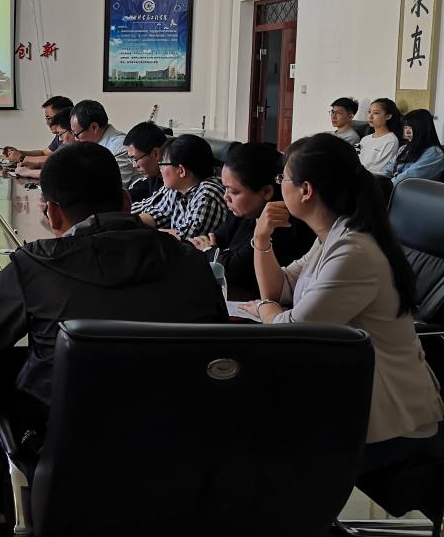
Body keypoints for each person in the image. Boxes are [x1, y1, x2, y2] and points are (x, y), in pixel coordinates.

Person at [0, 143, 227, 424]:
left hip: (67, 443)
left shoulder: (35, 265)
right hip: (180, 436)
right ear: (127, 202)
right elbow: (218, 348)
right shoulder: (192, 261)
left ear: (53, 214)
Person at [242, 133, 444, 470]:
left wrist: (266, 310)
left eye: (282, 179)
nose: (279, 187)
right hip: (349, 392)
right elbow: (280, 288)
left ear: (306, 190)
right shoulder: (333, 236)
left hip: (388, 420)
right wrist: (261, 238)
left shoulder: (354, 250)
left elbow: (292, 332)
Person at [188, 142, 315, 299]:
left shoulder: (282, 222)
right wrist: (216, 253)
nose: (225, 197)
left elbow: (231, 273)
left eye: (234, 192)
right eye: (225, 188)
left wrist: (209, 250)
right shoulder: (244, 211)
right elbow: (211, 240)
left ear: (267, 191)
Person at [133, 134, 228, 239]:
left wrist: (141, 233)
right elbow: (158, 215)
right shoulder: (177, 188)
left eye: (163, 165)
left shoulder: (208, 195)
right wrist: (126, 221)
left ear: (181, 171)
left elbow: (187, 237)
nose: (160, 170)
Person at [68, 99, 134, 186]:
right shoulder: (94, 146)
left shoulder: (119, 148)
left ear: (94, 127)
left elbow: (115, 188)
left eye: (76, 134)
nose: (76, 139)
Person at [1, 96, 74, 166]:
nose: (47, 123)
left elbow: (57, 160)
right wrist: (17, 152)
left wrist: (21, 158)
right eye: (46, 119)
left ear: (61, 115)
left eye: (49, 118)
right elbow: (44, 153)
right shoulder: (60, 134)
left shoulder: (70, 135)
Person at [382, 109, 444, 185]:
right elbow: (386, 170)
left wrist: (383, 186)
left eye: (411, 127)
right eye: (405, 127)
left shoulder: (434, 153)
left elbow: (407, 180)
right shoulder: (404, 148)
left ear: (423, 128)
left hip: (410, 191)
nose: (407, 132)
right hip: (394, 188)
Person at [13, 109, 73, 180]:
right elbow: (56, 161)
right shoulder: (67, 141)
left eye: (49, 118)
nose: (48, 123)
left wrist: (28, 172)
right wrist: (37, 165)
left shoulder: (77, 146)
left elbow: (61, 173)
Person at [124, 121, 167, 203]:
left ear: (156, 153)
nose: (134, 165)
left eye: (136, 159)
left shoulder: (173, 183)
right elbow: (137, 192)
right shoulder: (154, 177)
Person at [358, 97, 402, 174]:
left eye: (376, 113)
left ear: (388, 116)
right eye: (369, 112)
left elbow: (379, 170)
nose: (370, 116)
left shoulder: (391, 140)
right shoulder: (365, 139)